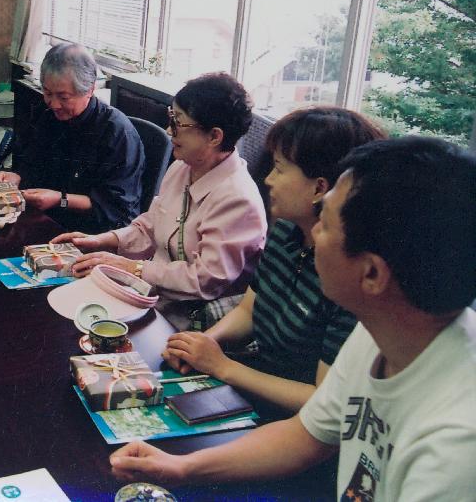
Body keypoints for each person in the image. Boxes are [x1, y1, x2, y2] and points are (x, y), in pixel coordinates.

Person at [110, 137, 476, 500]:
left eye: (327, 225)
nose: (314, 233)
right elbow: (306, 436)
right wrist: (181, 468)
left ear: (372, 275)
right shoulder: (382, 329)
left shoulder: (454, 449)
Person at [161, 107, 385, 414]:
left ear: (320, 188)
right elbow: (249, 309)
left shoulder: (348, 275)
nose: (268, 180)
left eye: (279, 169)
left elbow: (323, 399)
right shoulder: (286, 232)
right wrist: (202, 345)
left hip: (289, 416)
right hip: (253, 380)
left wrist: (223, 367)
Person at [54, 72, 267, 330]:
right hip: (154, 299)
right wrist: (102, 240)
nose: (169, 130)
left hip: (192, 322)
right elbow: (150, 225)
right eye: (171, 118)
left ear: (214, 137)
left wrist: (133, 269)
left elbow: (204, 280)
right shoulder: (183, 167)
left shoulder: (237, 199)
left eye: (178, 123)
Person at [0, 43, 145, 232]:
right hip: (48, 217)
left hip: (96, 231)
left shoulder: (117, 133)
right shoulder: (47, 114)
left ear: (89, 90)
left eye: (64, 97)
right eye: (47, 93)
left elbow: (115, 208)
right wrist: (16, 177)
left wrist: (61, 200)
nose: (54, 104)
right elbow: (31, 163)